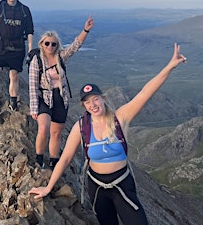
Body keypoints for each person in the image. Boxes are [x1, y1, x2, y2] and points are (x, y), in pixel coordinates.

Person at [29, 43, 188, 224]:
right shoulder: (81, 127)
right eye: (88, 102)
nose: (93, 105)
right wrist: (48, 188)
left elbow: (146, 92)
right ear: (84, 106)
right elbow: (64, 159)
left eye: (95, 99)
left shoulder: (120, 118)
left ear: (103, 99)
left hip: (122, 184)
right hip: (97, 188)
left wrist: (169, 66)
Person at [29, 16, 94, 169]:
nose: (50, 46)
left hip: (61, 99)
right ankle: (39, 159)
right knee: (44, 128)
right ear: (41, 45)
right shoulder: (36, 61)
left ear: (57, 45)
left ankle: (54, 161)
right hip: (44, 98)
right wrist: (33, 108)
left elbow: (75, 46)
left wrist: (86, 30)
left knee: (56, 133)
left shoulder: (60, 57)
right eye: (47, 43)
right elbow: (32, 86)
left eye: (53, 44)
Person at [0, 0, 34, 117]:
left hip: (18, 48)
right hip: (1, 47)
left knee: (14, 75)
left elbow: (30, 30)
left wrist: (30, 49)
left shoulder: (24, 10)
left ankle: (13, 102)